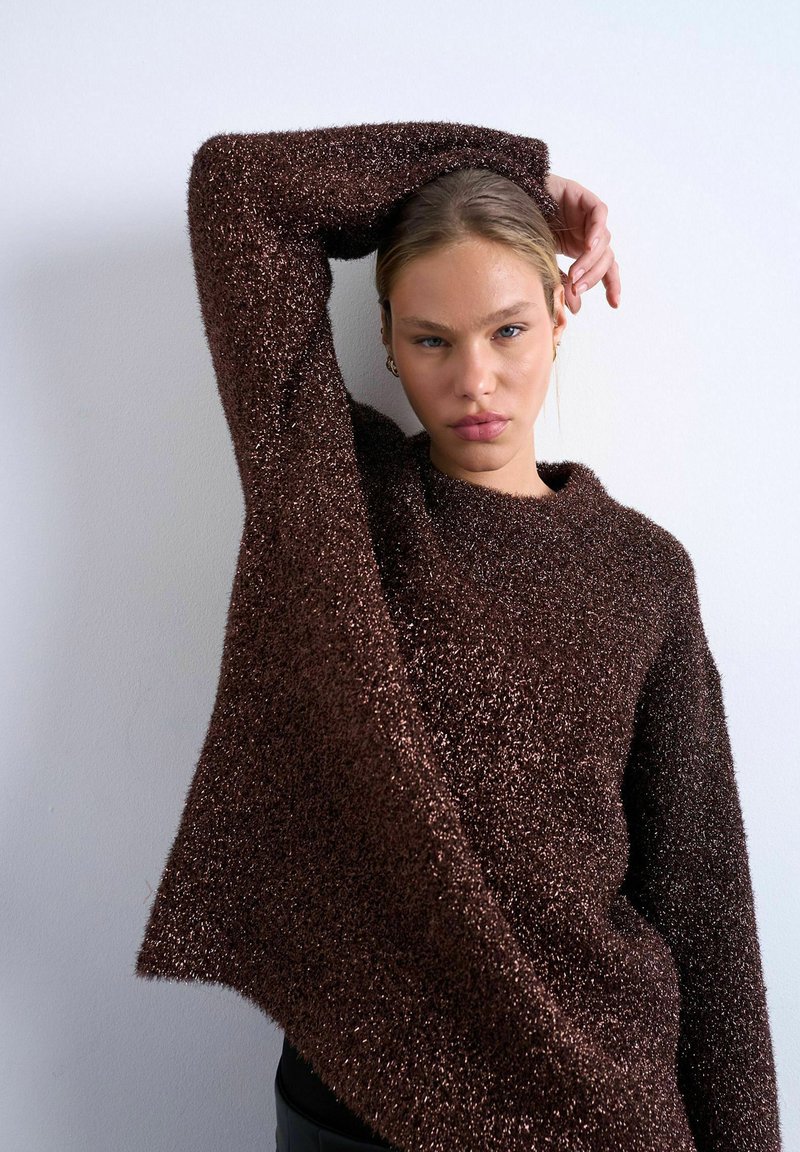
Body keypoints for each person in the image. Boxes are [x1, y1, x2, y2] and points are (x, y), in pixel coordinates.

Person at [136, 122, 782, 1152]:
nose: (474, 379)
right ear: (387, 343)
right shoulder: (336, 501)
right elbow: (239, 187)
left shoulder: (644, 572)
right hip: (360, 1093)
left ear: (559, 319)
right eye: (432, 339)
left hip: (594, 1097)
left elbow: (700, 893)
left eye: (507, 330)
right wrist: (518, 171)